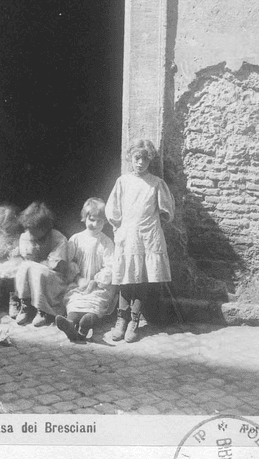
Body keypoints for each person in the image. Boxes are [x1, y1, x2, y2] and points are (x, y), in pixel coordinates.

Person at [105, 139, 175, 343]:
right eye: (137, 158)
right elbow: (113, 209)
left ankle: (134, 321)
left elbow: (167, 209)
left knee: (142, 279)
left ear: (149, 160)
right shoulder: (123, 181)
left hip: (148, 235)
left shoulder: (155, 183)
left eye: (145, 159)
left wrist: (159, 220)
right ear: (130, 158)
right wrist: (119, 227)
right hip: (128, 235)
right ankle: (121, 319)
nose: (140, 163)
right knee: (126, 279)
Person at [55, 197, 117, 343]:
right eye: (92, 220)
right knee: (74, 299)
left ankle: (86, 323)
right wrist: (78, 278)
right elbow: (69, 263)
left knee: (96, 301)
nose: (95, 224)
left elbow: (110, 266)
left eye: (100, 221)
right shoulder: (76, 239)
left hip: (98, 285)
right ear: (84, 218)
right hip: (79, 283)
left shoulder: (106, 243)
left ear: (105, 221)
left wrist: (96, 281)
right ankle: (70, 323)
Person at [14, 201, 73, 327]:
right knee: (24, 267)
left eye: (35, 230)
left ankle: (43, 310)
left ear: (45, 228)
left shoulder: (58, 238)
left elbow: (56, 264)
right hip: (34, 273)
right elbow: (26, 257)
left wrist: (37, 262)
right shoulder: (26, 236)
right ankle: (25, 304)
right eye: (29, 229)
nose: (31, 234)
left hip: (54, 278)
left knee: (37, 270)